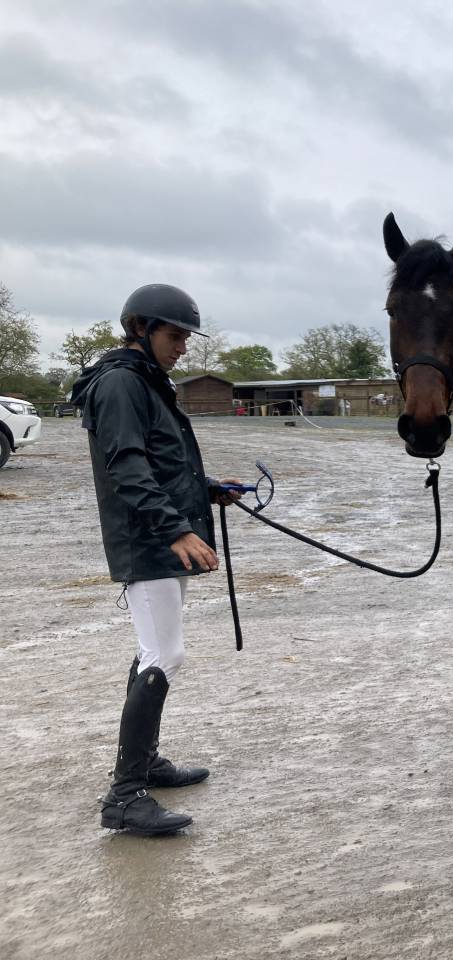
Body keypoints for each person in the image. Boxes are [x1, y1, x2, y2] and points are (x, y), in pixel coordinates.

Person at [70, 283, 243, 835]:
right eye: (174, 335)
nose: (183, 346)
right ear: (140, 328)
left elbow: (162, 460)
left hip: (161, 536)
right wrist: (174, 530)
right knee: (165, 654)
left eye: (187, 336)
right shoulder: (121, 383)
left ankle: (143, 765)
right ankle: (125, 796)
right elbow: (127, 466)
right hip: (148, 540)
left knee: (155, 650)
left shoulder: (146, 380)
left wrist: (208, 487)